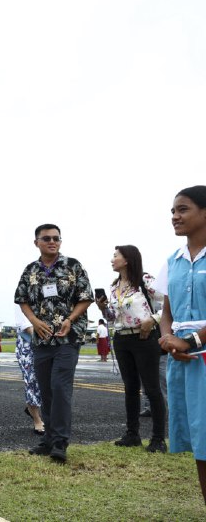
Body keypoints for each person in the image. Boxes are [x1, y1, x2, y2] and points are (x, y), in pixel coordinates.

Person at [15, 224, 93, 464]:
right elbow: (22, 299)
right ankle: (48, 439)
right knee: (46, 389)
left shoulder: (73, 266)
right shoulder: (31, 270)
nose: (52, 242)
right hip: (41, 339)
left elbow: (85, 298)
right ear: (36, 242)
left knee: (60, 387)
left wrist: (70, 319)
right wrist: (34, 321)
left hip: (68, 337)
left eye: (56, 238)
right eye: (46, 238)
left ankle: (60, 442)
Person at [156, 185, 206, 502]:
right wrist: (168, 339)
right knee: (200, 443)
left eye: (183, 209)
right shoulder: (172, 261)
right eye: (173, 211)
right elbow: (167, 313)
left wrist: (191, 341)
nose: (175, 216)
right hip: (183, 360)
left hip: (199, 353)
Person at [95, 245, 166, 453]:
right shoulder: (115, 285)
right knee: (130, 388)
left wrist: (153, 320)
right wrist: (102, 308)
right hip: (122, 339)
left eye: (115, 256)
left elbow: (170, 303)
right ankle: (132, 434)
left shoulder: (145, 281)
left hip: (144, 338)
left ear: (127, 259)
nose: (112, 259)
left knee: (152, 389)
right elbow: (112, 317)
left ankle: (158, 438)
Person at [14, 306, 44, 435]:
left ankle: (32, 408)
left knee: (46, 380)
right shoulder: (22, 293)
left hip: (49, 341)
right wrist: (41, 338)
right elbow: (24, 323)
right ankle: (37, 419)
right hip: (28, 342)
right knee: (31, 380)